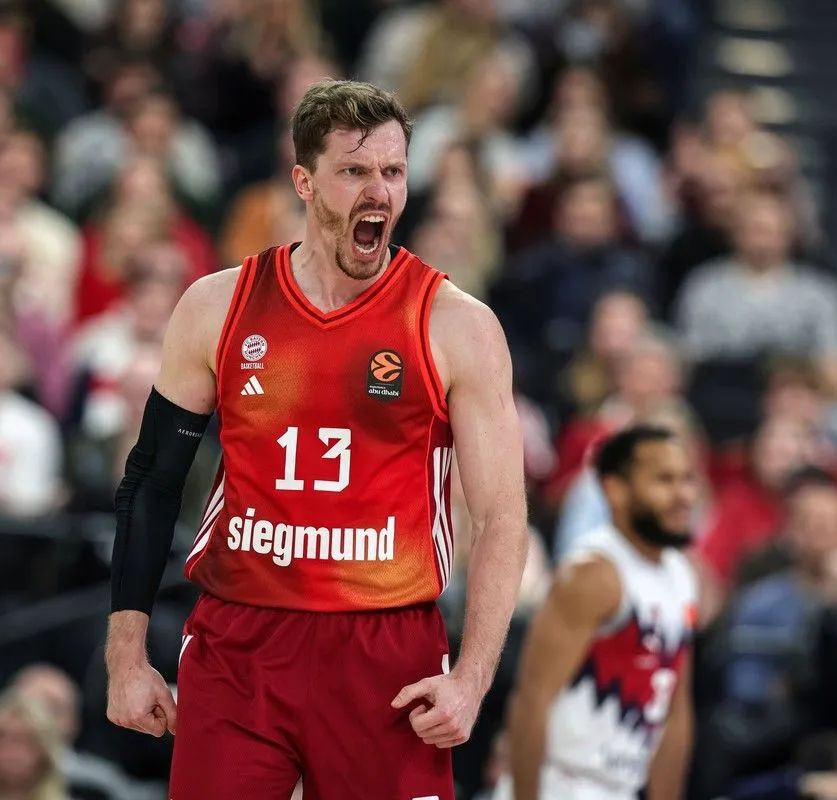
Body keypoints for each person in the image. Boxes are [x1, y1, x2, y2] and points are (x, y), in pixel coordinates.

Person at [105, 79, 529, 799]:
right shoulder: (218, 305)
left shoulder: (455, 324)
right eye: (354, 171)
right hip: (242, 641)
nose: (379, 191)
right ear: (303, 181)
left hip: (385, 648)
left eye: (393, 171)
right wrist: (126, 654)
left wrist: (472, 677)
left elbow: (501, 516)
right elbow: (151, 480)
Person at [501, 425, 697, 800]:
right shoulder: (592, 575)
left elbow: (676, 710)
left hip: (622, 788)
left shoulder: (681, 575)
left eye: (687, 479)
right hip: (559, 785)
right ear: (615, 489)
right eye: (664, 480)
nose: (683, 494)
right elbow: (531, 700)